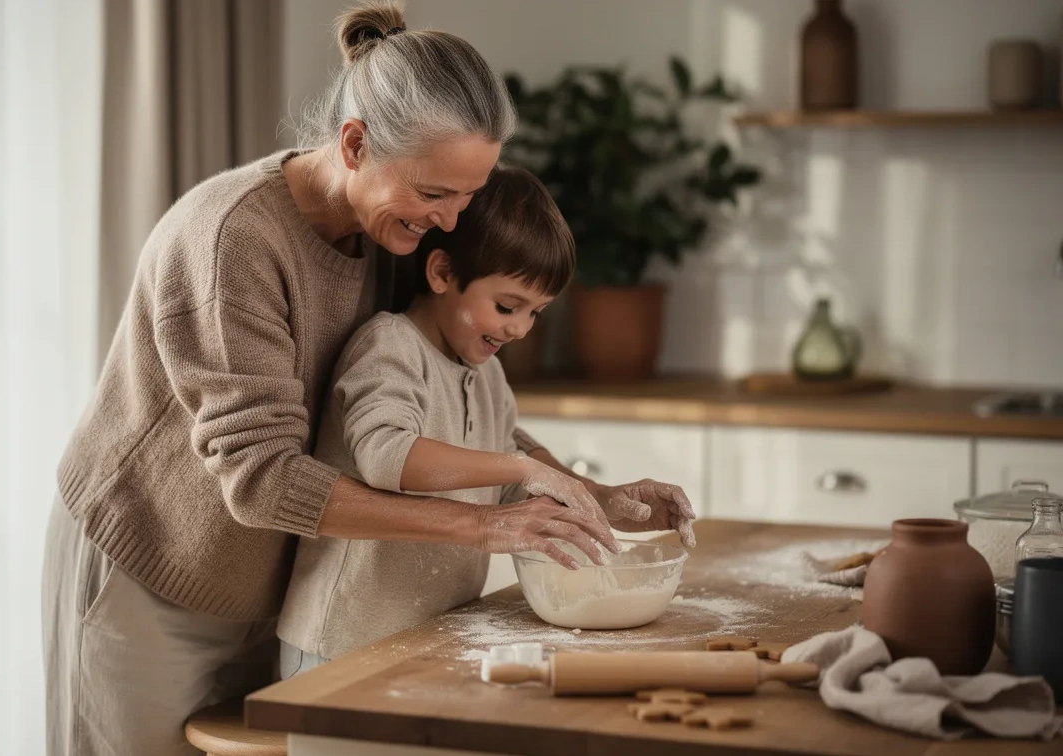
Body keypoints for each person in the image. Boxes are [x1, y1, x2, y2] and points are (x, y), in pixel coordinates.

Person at [42, 3, 696, 755]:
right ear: (354, 143)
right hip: (155, 572)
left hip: (277, 581)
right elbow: (261, 480)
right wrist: (486, 524)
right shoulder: (233, 242)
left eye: (467, 197)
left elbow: (452, 416)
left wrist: (592, 498)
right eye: (434, 194)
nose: (452, 224)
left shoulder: (396, 232)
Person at [278, 165, 635, 675]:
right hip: (339, 644)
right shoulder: (390, 347)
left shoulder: (485, 373)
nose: (519, 329)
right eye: (508, 306)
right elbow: (387, 456)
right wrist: (519, 468)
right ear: (442, 273)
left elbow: (511, 483)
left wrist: (600, 497)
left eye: (536, 313)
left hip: (424, 637)